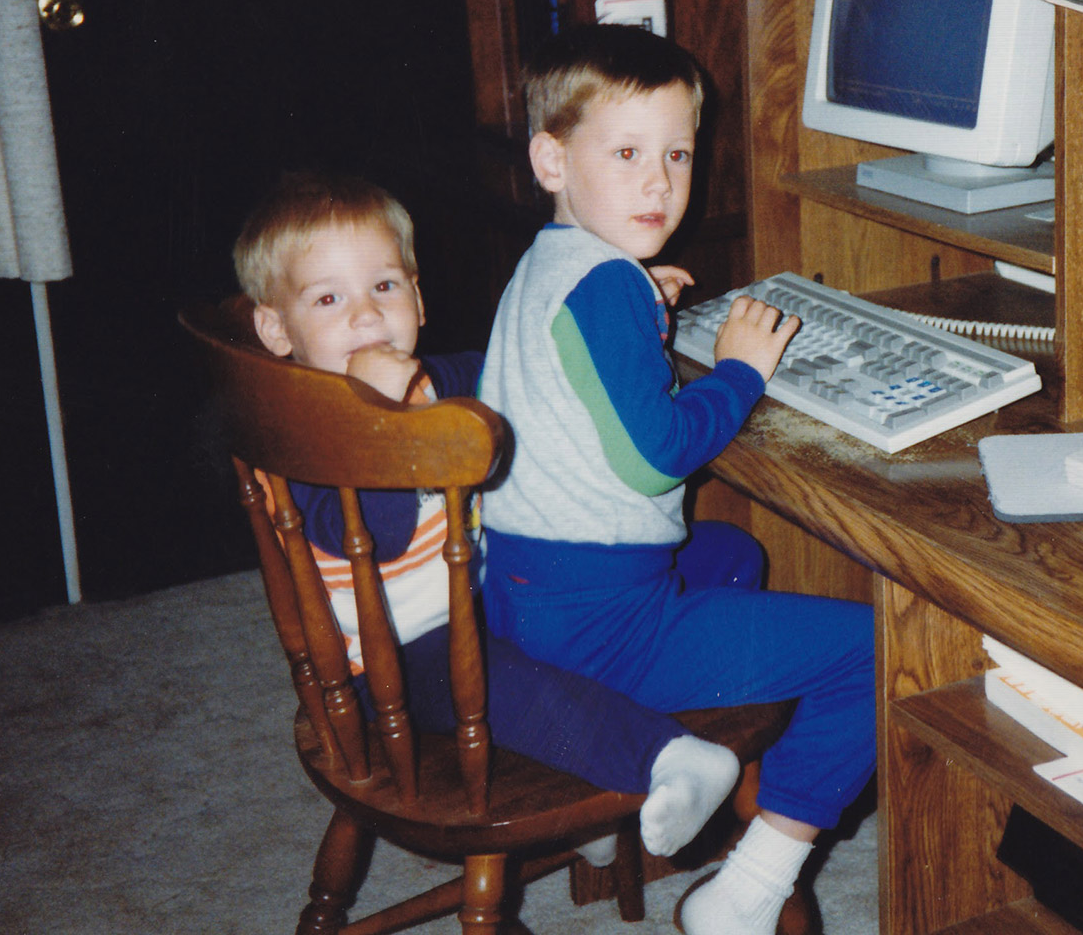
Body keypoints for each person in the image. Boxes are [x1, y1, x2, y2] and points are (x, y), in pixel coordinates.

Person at [477, 24, 877, 935]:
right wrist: (739, 371)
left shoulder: (556, 264)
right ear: (552, 159)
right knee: (871, 649)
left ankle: (598, 771)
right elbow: (655, 453)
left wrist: (639, 301)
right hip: (598, 622)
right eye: (625, 153)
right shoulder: (604, 286)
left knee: (731, 553)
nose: (657, 181)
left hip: (522, 593)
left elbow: (572, 379)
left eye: (677, 154)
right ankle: (749, 890)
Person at [232, 170, 751, 865]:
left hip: (481, 585)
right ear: (276, 328)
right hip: (389, 661)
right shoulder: (298, 437)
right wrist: (384, 430)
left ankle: (590, 787)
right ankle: (664, 759)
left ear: (417, 297)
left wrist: (629, 309)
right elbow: (378, 539)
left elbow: (524, 364)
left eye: (384, 286)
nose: (365, 316)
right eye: (328, 299)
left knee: (719, 555)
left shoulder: (429, 379)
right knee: (499, 681)